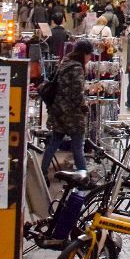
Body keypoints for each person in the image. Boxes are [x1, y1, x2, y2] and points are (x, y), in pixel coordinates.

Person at [41, 41, 93, 177]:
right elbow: (76, 93)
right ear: (84, 54)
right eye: (89, 55)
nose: (90, 58)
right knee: (77, 147)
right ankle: (83, 176)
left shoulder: (65, 63)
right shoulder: (77, 68)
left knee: (54, 143)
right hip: (72, 114)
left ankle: (42, 171)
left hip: (58, 110)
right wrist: (84, 106)